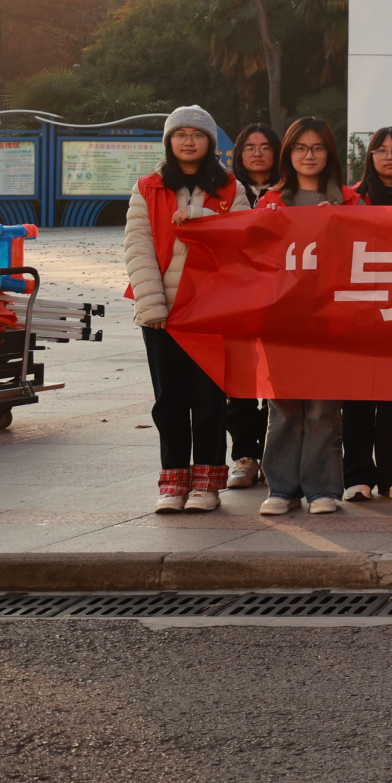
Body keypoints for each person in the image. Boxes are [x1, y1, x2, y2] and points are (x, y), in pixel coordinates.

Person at [125, 105, 240, 514]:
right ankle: (173, 482)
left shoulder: (231, 189)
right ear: (169, 141)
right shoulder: (147, 188)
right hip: (163, 313)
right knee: (169, 400)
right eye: (180, 134)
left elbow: (243, 239)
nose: (188, 141)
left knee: (209, 400)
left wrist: (202, 216)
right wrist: (152, 304)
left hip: (211, 314)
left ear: (210, 142)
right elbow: (137, 248)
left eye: (197, 134)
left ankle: (207, 484)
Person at [255, 117, 355, 515]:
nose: (308, 155)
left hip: (331, 318)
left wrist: (340, 225)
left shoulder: (350, 200)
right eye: (300, 148)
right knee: (283, 406)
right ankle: (281, 489)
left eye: (317, 148)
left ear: (329, 153)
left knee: (323, 408)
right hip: (281, 319)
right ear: (288, 154)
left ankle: (322, 489)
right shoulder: (270, 202)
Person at [340, 127, 392, 502]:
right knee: (356, 396)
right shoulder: (348, 199)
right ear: (369, 156)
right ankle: (357, 475)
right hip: (358, 305)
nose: (389, 156)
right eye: (381, 150)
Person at [223, 121, 280, 488]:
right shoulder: (226, 191)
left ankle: (276, 456)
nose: (257, 153)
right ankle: (245, 456)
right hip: (238, 298)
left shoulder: (290, 191)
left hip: (281, 299)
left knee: (278, 381)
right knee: (240, 380)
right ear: (239, 154)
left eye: (265, 146)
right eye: (249, 147)